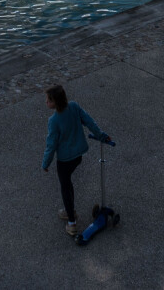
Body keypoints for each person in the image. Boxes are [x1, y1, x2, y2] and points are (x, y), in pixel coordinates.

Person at [40, 84, 109, 236]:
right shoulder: (74, 106)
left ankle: (71, 222)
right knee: (68, 183)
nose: (46, 102)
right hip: (78, 156)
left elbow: (51, 145)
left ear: (55, 102)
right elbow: (89, 121)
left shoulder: (54, 120)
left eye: (48, 100)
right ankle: (68, 209)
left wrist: (46, 163)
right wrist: (101, 135)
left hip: (64, 160)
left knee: (65, 187)